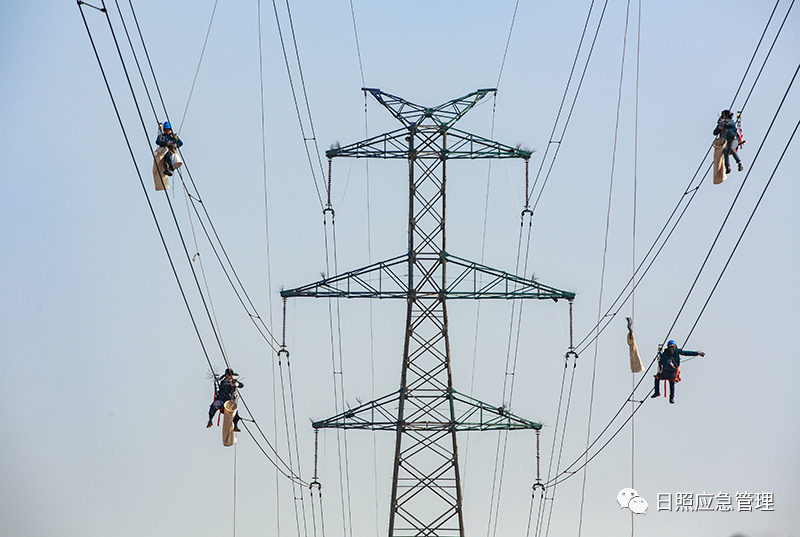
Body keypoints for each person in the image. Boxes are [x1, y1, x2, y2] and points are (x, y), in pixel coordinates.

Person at [713, 110, 743, 174]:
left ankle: (739, 163)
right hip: (726, 141)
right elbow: (715, 132)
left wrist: (722, 123)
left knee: (732, 149)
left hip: (733, 139)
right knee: (725, 150)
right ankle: (727, 167)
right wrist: (719, 127)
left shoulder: (731, 122)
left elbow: (727, 124)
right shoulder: (721, 124)